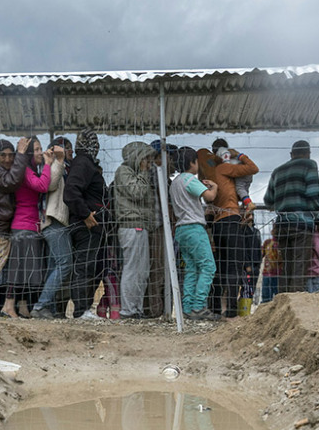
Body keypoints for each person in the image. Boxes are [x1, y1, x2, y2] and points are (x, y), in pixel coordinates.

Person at [2, 138, 62, 318]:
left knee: (27, 270)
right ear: (28, 153)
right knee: (18, 269)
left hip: (31, 225)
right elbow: (42, 186)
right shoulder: (26, 171)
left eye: (41, 148)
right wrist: (48, 164)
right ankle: (8, 305)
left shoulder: (30, 170)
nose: (40, 152)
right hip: (23, 225)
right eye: (36, 149)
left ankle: (22, 306)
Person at [197, 143, 258, 316]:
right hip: (231, 219)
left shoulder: (211, 173)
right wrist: (238, 155)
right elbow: (253, 168)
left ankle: (215, 308)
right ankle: (231, 310)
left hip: (217, 223)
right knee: (234, 266)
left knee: (220, 266)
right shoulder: (224, 168)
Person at [263, 139, 319, 294]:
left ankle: (283, 301)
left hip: (282, 224)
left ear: (291, 154)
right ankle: (296, 303)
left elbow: (268, 200)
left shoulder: (277, 171)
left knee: (286, 269)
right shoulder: (309, 165)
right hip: (302, 224)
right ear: (308, 153)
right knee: (299, 267)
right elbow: (313, 195)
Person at [169, 147, 221, 322]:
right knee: (208, 266)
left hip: (181, 229)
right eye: (197, 161)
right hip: (194, 229)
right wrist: (214, 186)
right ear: (192, 162)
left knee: (191, 268)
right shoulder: (190, 179)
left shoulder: (175, 182)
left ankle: (188, 307)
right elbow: (210, 197)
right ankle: (199, 306)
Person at [63, 130, 110, 319]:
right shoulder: (83, 163)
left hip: (92, 225)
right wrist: (85, 215)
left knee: (89, 266)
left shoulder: (86, 163)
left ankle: (84, 308)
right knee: (84, 266)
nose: (96, 147)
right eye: (94, 143)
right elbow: (71, 192)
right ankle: (81, 310)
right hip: (86, 226)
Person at [0, 138, 30, 316]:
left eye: (11, 155)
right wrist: (21, 155)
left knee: (1, 269)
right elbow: (12, 181)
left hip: (2, 225)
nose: (8, 159)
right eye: (3, 155)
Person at [112, 141, 160, 319]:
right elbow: (137, 192)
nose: (148, 164)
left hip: (141, 225)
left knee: (143, 270)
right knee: (132, 268)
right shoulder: (124, 172)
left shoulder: (137, 173)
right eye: (146, 159)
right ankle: (128, 309)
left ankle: (136, 308)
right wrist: (143, 173)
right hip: (131, 225)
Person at [31, 136, 74, 319]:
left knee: (53, 266)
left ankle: (50, 308)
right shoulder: (50, 166)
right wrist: (58, 160)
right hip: (53, 220)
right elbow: (50, 184)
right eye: (68, 149)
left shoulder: (56, 166)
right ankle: (41, 306)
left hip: (55, 221)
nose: (71, 153)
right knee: (65, 264)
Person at [259, 235, 280, 304]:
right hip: (267, 274)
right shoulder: (267, 242)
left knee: (279, 299)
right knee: (266, 299)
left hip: (279, 275)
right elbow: (260, 255)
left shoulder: (283, 243)